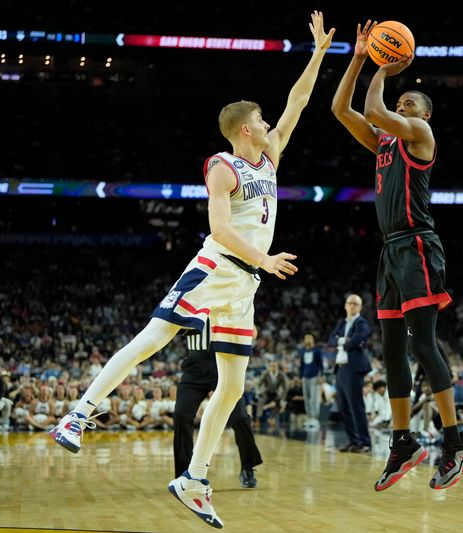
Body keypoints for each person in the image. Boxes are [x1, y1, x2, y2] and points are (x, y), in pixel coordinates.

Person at [48, 11, 334, 528]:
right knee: (153, 337)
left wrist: (317, 54)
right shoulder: (223, 166)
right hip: (217, 266)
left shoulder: (269, 160)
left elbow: (298, 103)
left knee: (232, 388)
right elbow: (221, 229)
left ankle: (194, 478)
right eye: (263, 122)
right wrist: (266, 258)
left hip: (243, 287)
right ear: (246, 130)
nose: (272, 126)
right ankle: (79, 412)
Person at [331, 20, 463, 492]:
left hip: (417, 243)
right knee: (392, 349)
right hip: (390, 251)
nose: (401, 103)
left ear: (424, 117)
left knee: (422, 345)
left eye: (409, 102)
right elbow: (341, 109)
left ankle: (455, 441)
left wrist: (383, 67)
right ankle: (403, 441)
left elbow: (373, 105)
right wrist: (357, 58)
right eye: (401, 100)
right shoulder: (383, 142)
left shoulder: (418, 136)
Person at [173, 320, 263, 489]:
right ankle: (184, 473)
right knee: (181, 414)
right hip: (195, 363)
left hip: (223, 360)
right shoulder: (193, 298)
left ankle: (248, 467)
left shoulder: (232, 299)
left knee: (240, 418)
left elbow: (253, 332)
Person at [328, 293, 372, 453]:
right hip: (340, 368)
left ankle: (365, 442)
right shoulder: (342, 322)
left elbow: (358, 339)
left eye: (355, 303)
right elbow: (331, 339)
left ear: (359, 307)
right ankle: (353, 441)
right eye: (350, 303)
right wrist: (343, 341)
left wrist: (343, 341)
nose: (352, 306)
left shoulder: (362, 322)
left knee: (356, 406)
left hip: (354, 368)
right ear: (345, 305)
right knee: (343, 407)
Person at [297, 332, 324, 429]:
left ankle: (315, 418)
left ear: (312, 339)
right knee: (307, 399)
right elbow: (302, 365)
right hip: (305, 377)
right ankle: (309, 417)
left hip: (314, 377)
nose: (307, 340)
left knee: (314, 399)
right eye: (306, 338)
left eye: (309, 338)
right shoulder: (303, 351)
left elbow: (320, 364)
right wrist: (300, 377)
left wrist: (321, 376)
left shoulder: (317, 350)